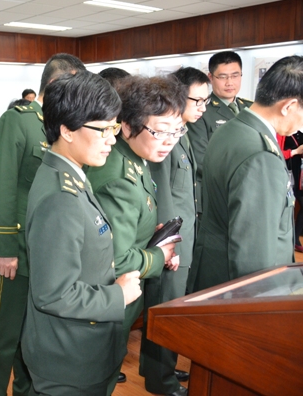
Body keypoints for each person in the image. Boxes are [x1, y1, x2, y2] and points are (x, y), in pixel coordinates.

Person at [23, 70, 142, 395]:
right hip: (69, 356)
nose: (112, 139)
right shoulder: (61, 197)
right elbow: (54, 294)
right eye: (103, 129)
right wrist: (118, 295)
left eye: (114, 128)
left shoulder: (69, 172)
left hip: (79, 347)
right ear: (67, 130)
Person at [0, 53, 87, 396]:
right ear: (54, 84)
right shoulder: (18, 121)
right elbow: (2, 187)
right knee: (3, 336)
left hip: (46, 251)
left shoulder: (64, 127)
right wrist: (5, 249)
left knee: (32, 337)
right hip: (16, 251)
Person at [87, 75, 183, 395]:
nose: (170, 141)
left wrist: (149, 234)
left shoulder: (135, 160)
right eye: (160, 131)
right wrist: (159, 255)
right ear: (127, 127)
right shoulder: (120, 176)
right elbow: (115, 258)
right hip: (106, 301)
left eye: (176, 131)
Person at [190, 55, 303, 292]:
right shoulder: (261, 155)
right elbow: (254, 255)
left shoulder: (233, 128)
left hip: (215, 274)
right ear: (289, 106)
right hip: (241, 289)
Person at [142, 67, 209, 395]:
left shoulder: (183, 134)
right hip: (172, 243)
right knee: (165, 308)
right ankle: (161, 380)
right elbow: (164, 194)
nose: (202, 107)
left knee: (168, 306)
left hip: (184, 237)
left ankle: (156, 367)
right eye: (197, 100)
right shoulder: (164, 137)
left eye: (206, 101)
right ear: (179, 96)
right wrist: (170, 244)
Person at [188, 51, 252, 225]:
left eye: (235, 75)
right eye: (223, 77)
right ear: (211, 77)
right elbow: (201, 159)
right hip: (215, 195)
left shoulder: (250, 108)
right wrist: (241, 176)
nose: (230, 82)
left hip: (247, 192)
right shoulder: (201, 111)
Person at [282, 131, 303, 250]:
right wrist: (296, 151)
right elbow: (280, 153)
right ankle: (293, 239)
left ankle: (294, 239)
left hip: (299, 175)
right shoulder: (285, 132)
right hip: (289, 174)